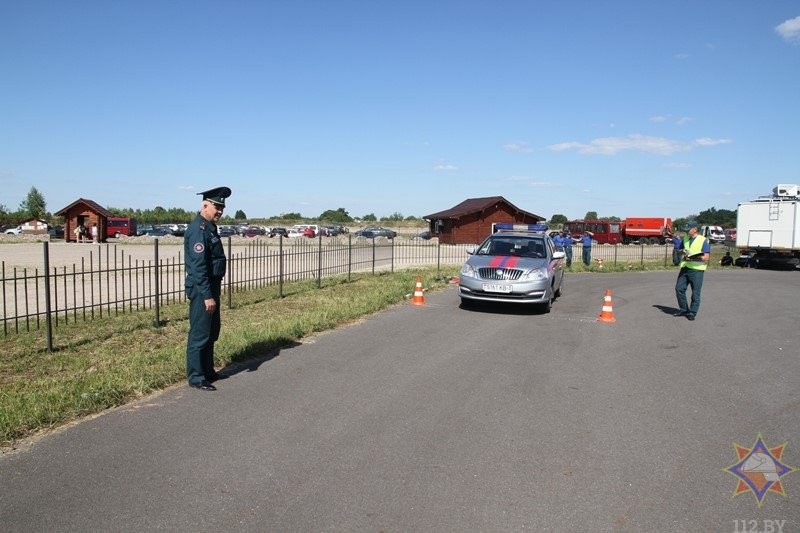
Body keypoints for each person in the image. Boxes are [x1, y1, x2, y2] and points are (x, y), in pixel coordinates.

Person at [184, 186, 232, 391]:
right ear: (205, 205)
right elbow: (199, 267)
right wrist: (207, 295)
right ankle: (196, 376)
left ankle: (208, 371)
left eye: (222, 208)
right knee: (200, 333)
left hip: (212, 287)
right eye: (216, 207)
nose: (219, 211)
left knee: (211, 331)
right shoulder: (199, 229)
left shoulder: (210, 228)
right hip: (202, 289)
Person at [670, 220, 711, 321]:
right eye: (685, 230)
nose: (686, 231)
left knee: (695, 292)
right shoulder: (685, 238)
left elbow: (706, 257)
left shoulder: (703, 240)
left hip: (697, 270)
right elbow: (680, 250)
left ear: (695, 229)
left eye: (688, 230)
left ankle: (692, 312)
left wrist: (692, 258)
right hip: (685, 268)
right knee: (679, 289)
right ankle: (684, 309)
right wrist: (682, 251)